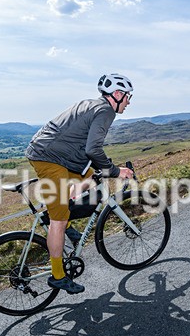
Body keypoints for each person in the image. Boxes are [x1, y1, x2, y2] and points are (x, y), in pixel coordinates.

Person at [25, 73, 135, 294]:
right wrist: (115, 171)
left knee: (90, 179)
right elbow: (93, 149)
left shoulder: (91, 104)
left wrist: (103, 169)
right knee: (59, 218)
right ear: (117, 94)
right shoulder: (105, 111)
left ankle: (67, 226)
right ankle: (58, 275)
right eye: (128, 97)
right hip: (49, 158)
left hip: (57, 154)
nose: (129, 102)